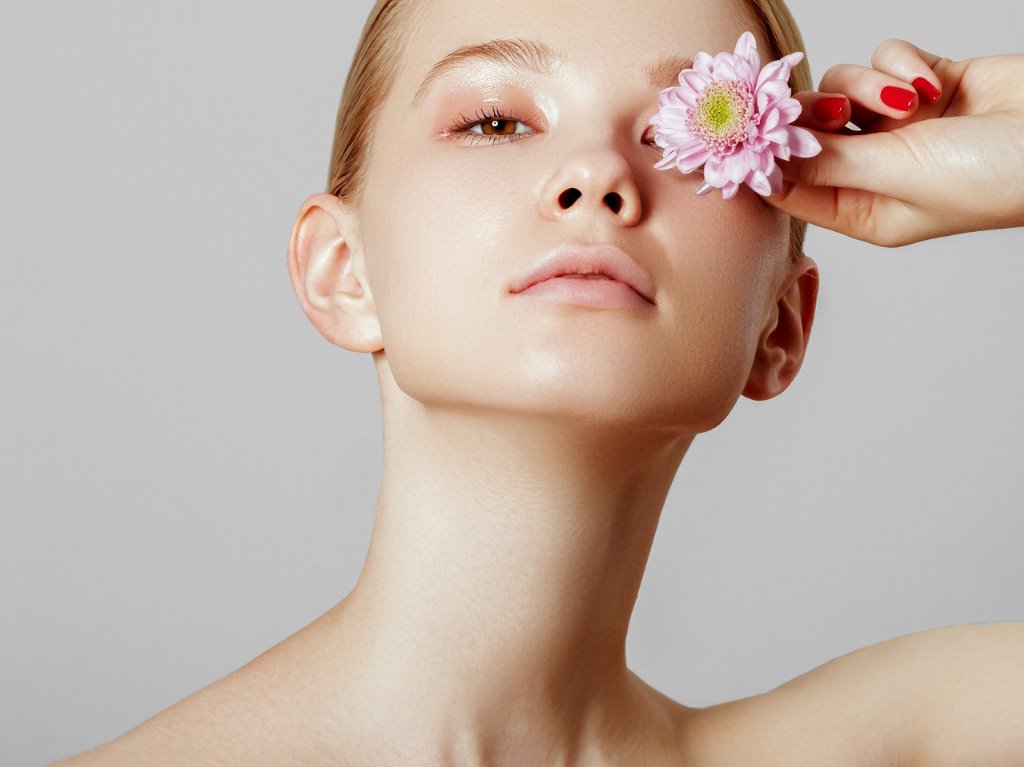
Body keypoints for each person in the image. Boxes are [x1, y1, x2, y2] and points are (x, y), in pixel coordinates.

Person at [50, 0, 1024, 764]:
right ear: (344, 270)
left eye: (684, 130)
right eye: (495, 120)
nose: (597, 174)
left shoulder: (926, 738)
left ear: (781, 324)